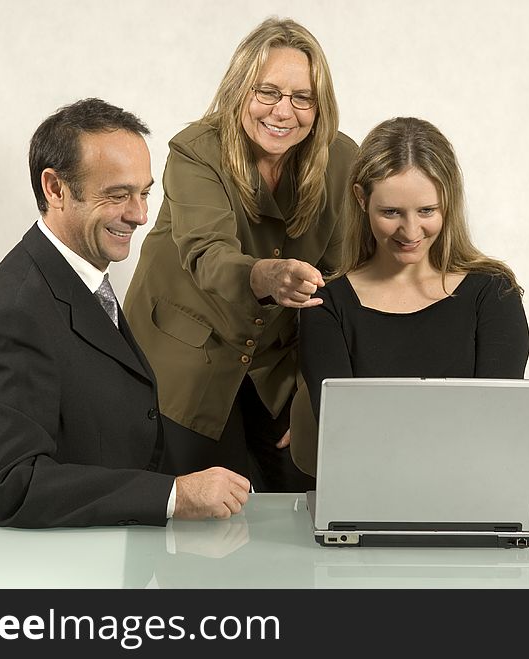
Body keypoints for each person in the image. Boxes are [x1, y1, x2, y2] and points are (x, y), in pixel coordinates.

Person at [0, 98, 250, 528]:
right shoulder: (14, 316)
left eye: (144, 193)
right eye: (118, 195)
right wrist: (173, 495)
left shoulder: (77, 281)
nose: (140, 215)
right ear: (55, 189)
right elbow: (10, 484)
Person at [122, 18, 357, 492]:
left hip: (274, 366)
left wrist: (318, 395)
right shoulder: (196, 152)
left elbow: (338, 286)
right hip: (185, 360)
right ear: (239, 90)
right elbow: (208, 255)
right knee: (207, 524)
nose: (283, 111)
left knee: (302, 499)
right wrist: (269, 276)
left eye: (301, 97)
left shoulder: (342, 160)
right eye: (267, 92)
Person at [290, 117, 529, 476]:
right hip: (362, 497)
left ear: (448, 201)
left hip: (470, 496)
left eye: (426, 211)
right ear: (361, 198)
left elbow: (493, 430)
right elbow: (344, 437)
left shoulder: (494, 295)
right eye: (391, 212)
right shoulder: (325, 305)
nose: (411, 231)